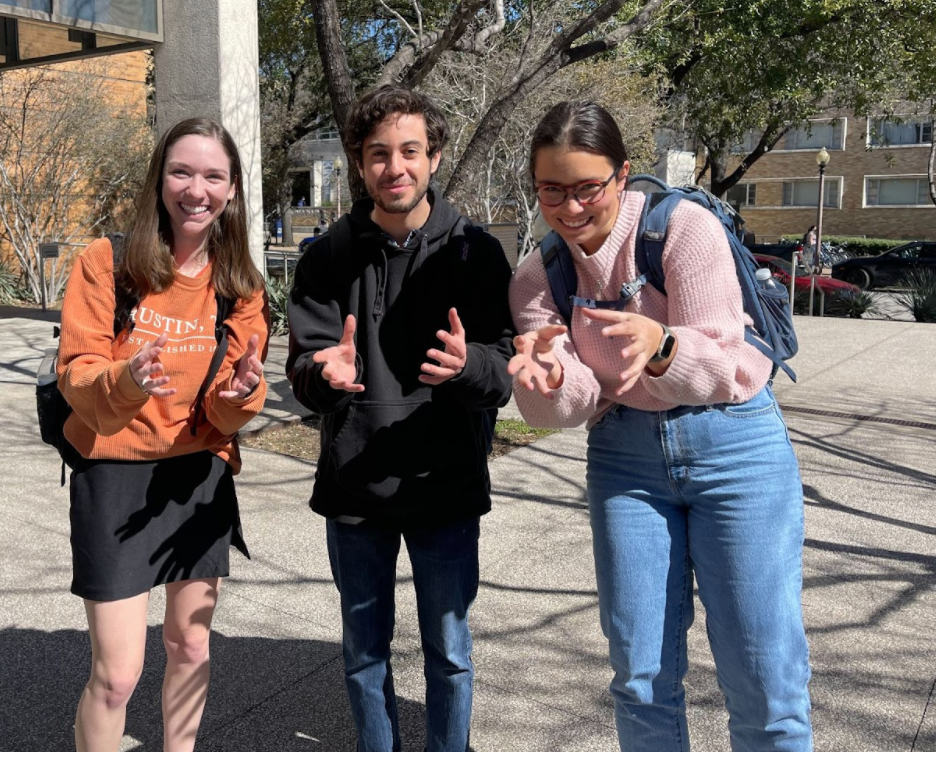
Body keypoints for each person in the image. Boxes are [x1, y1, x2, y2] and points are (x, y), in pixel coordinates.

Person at [507, 101, 812, 751]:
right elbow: (570, 403)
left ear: (620, 177)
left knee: (763, 676)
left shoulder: (683, 230)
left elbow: (722, 368)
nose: (570, 208)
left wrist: (664, 346)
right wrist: (550, 384)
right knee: (641, 676)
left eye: (587, 187)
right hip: (625, 457)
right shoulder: (539, 276)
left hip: (734, 443)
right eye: (551, 190)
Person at [286, 84, 515, 751]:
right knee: (364, 654)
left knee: (450, 653)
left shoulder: (476, 253)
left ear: (434, 157)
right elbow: (304, 369)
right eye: (379, 153)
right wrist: (324, 378)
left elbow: (505, 374)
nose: (396, 167)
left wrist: (467, 365)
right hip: (355, 487)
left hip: (444, 484)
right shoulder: (327, 257)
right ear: (359, 164)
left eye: (410, 151)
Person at [57, 117, 270, 751]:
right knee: (118, 674)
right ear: (160, 179)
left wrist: (242, 396)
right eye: (182, 171)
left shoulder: (239, 286)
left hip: (197, 476)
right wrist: (127, 379)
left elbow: (230, 404)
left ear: (231, 190)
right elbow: (77, 373)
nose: (196, 189)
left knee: (190, 642)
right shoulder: (108, 263)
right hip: (114, 475)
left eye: (213, 176)